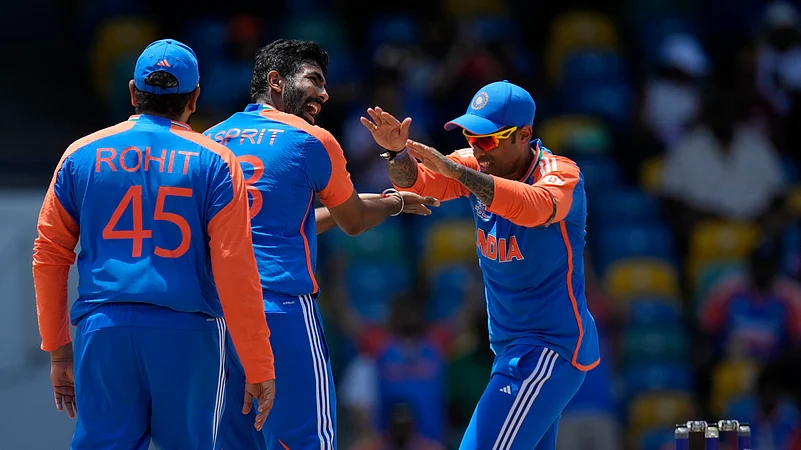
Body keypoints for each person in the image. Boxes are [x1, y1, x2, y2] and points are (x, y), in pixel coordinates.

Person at [31, 38, 276, 450]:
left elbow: (49, 255)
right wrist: (257, 362)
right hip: (187, 333)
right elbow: (235, 265)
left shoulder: (80, 154)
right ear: (195, 98)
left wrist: (57, 349)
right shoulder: (216, 160)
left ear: (131, 92)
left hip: (103, 330)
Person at [205, 39, 439, 450]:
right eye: (313, 79)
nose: (325, 93)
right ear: (277, 81)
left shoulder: (208, 141)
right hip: (282, 308)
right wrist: (395, 203)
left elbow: (276, 225)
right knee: (309, 441)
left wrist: (386, 200)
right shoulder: (312, 139)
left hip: (216, 315)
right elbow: (354, 221)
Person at [362, 80, 600, 450]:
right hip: (511, 349)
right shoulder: (476, 164)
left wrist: (461, 174)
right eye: (471, 137)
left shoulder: (561, 174)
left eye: (488, 139)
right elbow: (420, 183)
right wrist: (396, 154)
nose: (477, 148)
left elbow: (533, 206)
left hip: (548, 349)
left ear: (524, 135)